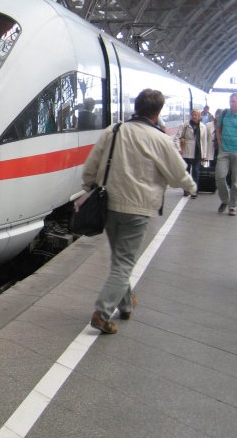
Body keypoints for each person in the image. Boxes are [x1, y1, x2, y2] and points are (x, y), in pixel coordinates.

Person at [81, 89, 196, 334]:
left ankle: (125, 305)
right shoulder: (160, 139)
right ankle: (101, 313)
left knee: (120, 259)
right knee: (124, 262)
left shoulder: (113, 131)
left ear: (137, 106)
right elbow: (178, 175)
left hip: (110, 204)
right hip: (139, 208)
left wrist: (88, 184)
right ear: (158, 112)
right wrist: (191, 186)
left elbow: (91, 165)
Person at [174, 109, 208, 198]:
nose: (194, 116)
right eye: (193, 115)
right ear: (191, 115)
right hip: (186, 151)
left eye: (196, 115)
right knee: (186, 172)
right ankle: (186, 189)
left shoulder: (203, 127)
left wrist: (204, 155)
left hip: (198, 152)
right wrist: (179, 148)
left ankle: (194, 191)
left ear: (199, 116)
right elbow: (177, 137)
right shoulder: (185, 125)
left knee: (196, 172)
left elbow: (204, 141)